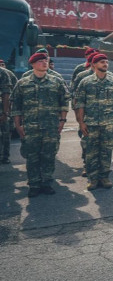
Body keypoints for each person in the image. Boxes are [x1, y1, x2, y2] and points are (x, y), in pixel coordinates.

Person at [11, 52, 70, 197]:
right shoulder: (23, 83)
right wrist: (18, 125)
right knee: (32, 157)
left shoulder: (56, 81)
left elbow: (64, 102)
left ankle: (46, 182)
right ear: (32, 64)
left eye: (46, 60)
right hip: (31, 127)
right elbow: (16, 106)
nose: (44, 63)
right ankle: (34, 184)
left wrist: (62, 121)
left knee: (49, 155)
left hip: (51, 126)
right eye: (40, 61)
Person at [75, 53, 113, 190]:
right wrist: (81, 123)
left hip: (108, 123)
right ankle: (93, 179)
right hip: (90, 124)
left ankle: (104, 177)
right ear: (94, 65)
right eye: (102, 62)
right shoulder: (85, 82)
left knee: (106, 151)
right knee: (91, 152)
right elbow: (80, 104)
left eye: (107, 62)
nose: (105, 64)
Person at [0, 59, 17, 164]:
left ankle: (5, 156)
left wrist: (6, 112)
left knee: (5, 133)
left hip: (4, 108)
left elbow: (11, 93)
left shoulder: (6, 74)